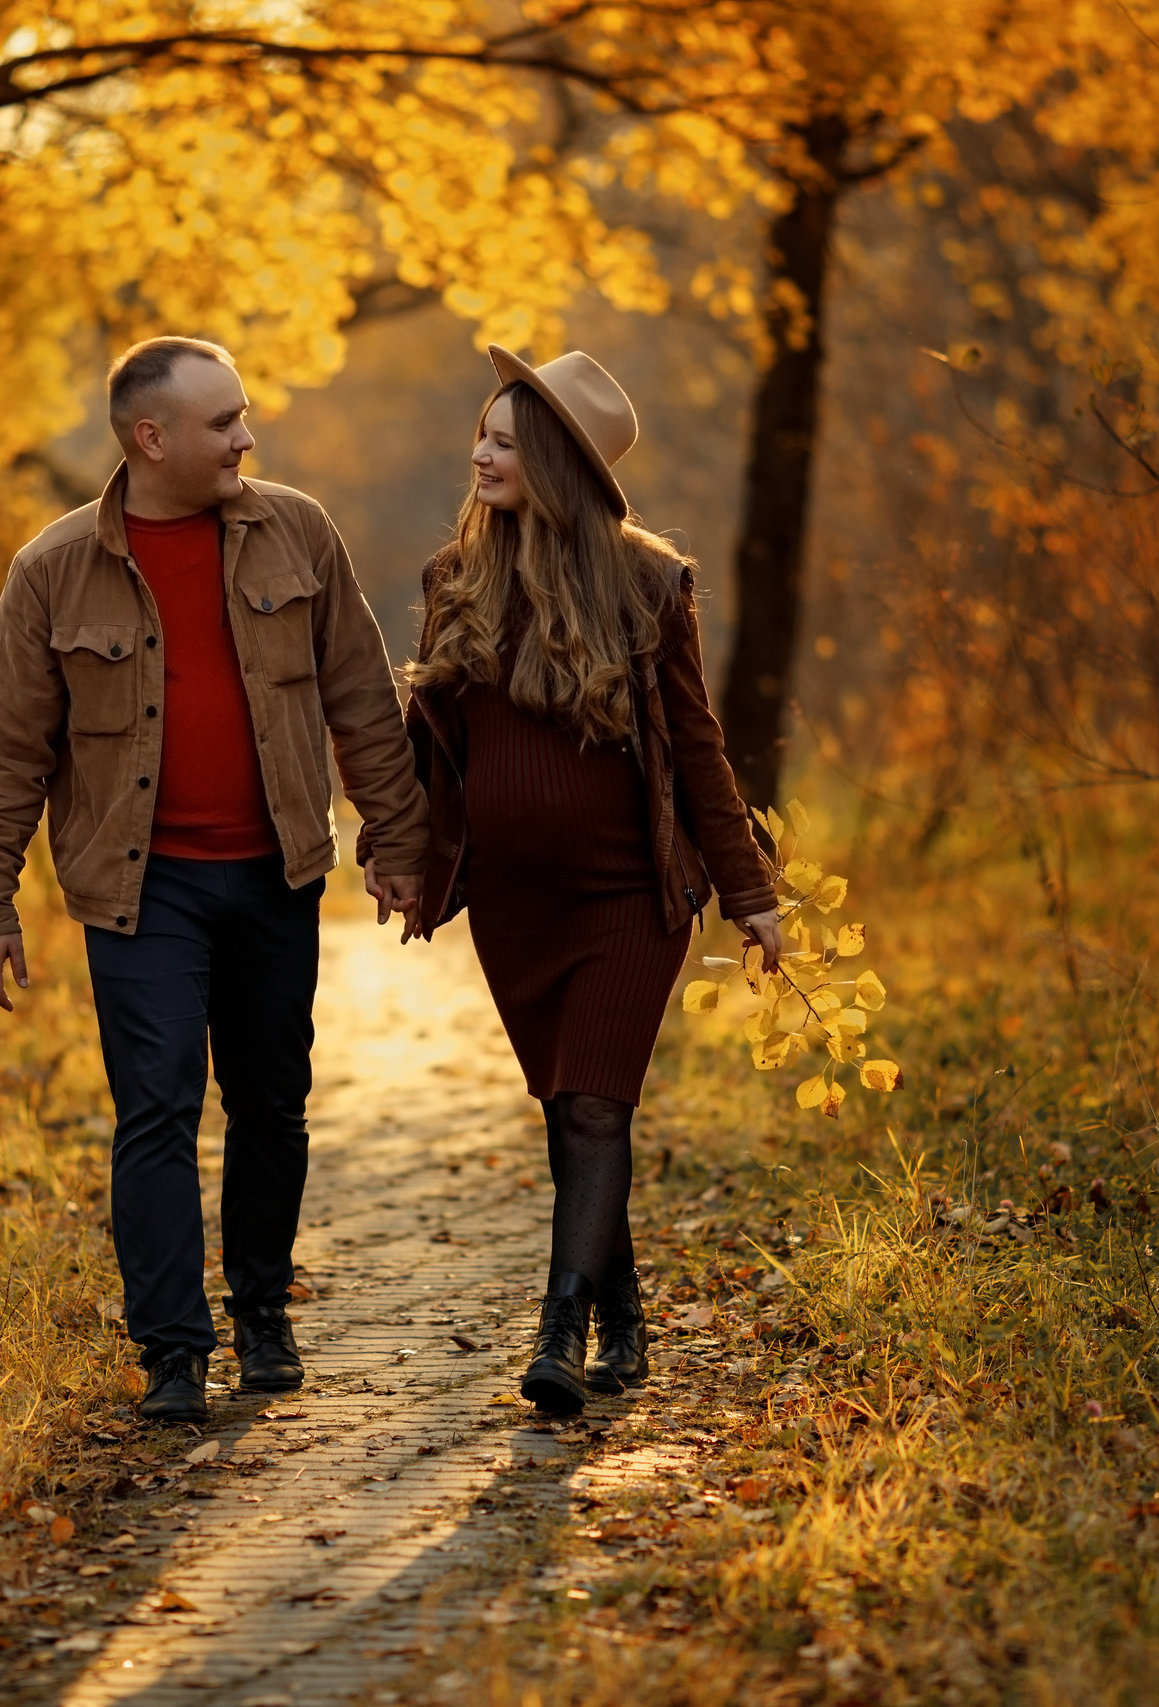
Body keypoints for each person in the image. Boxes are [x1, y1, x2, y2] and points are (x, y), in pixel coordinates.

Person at [0, 337, 426, 1426]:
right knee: (156, 1109)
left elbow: (361, 697)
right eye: (223, 424)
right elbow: (10, 750)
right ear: (149, 438)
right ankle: (173, 1349)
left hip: (274, 874)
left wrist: (397, 840)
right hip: (141, 890)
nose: (246, 439)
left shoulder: (298, 532)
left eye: (245, 416)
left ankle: (262, 1312)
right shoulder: (53, 570)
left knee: (272, 1099)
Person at [394, 347, 783, 1415]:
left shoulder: (651, 583)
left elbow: (697, 750)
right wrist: (402, 854)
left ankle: (560, 1327)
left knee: (596, 1109)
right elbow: (431, 750)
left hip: (626, 899)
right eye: (481, 433)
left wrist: (749, 892)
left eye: (505, 442)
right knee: (565, 1107)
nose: (479, 454)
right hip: (515, 906)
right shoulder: (452, 580)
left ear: (557, 463)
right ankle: (625, 1316)